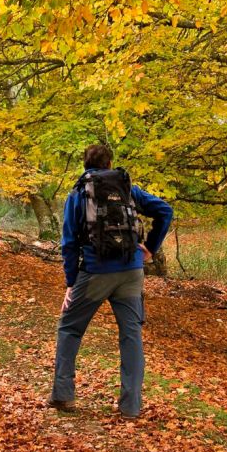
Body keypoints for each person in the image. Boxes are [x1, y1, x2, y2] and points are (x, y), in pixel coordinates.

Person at [49, 144, 173, 419]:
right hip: (131, 271)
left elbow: (69, 242)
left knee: (69, 328)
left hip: (95, 271)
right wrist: (150, 247)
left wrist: (71, 282)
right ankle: (131, 406)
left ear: (85, 164)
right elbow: (165, 211)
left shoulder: (79, 193)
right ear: (110, 162)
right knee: (131, 336)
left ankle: (63, 394)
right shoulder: (129, 189)